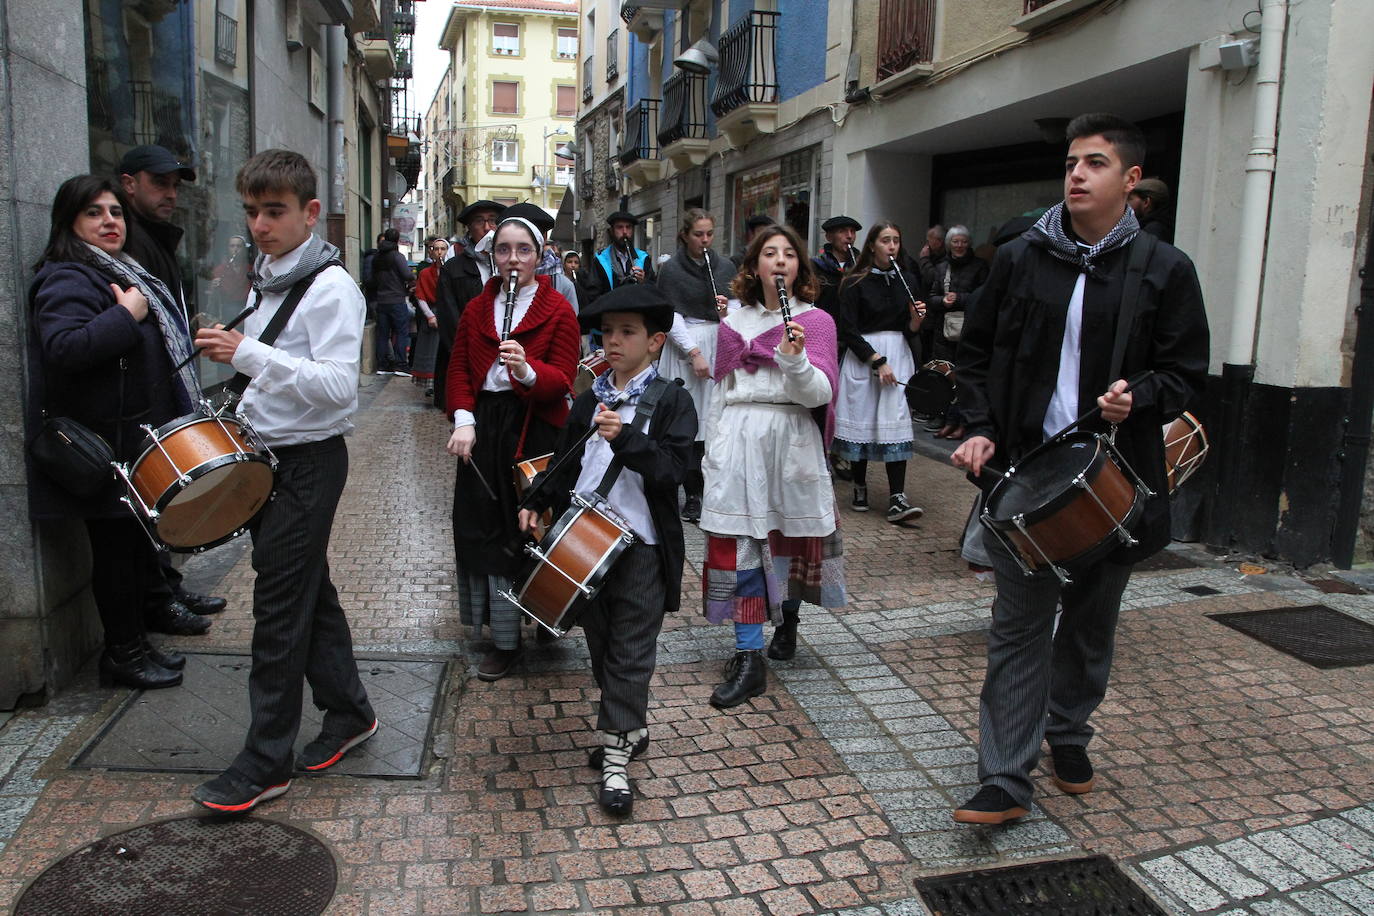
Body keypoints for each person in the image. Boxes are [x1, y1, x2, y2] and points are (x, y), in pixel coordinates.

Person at [949, 113, 1209, 824]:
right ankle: (1003, 775)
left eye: (1094, 162)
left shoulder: (1165, 269)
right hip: (1026, 480)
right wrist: (977, 429)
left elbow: (1187, 375)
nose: (1076, 174)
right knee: (1019, 628)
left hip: (1115, 481)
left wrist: (1142, 398)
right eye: (1070, 162)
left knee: (1091, 627)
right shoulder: (1021, 258)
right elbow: (973, 355)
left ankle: (1067, 730)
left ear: (1130, 181)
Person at [190, 150, 378, 812]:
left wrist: (247, 353)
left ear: (310, 213)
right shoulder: (268, 275)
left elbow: (336, 390)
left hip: (309, 462)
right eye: (251, 211)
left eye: (274, 212)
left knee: (278, 607)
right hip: (265, 458)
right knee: (305, 593)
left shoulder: (332, 289)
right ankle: (350, 712)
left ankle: (266, 759)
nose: (260, 225)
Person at [518, 284, 695, 817]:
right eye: (608, 332)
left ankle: (617, 759)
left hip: (641, 547)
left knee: (630, 652)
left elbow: (674, 472)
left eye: (628, 332)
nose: (613, 342)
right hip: (584, 543)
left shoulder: (673, 399)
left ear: (656, 341)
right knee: (600, 646)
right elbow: (568, 460)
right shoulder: (592, 394)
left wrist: (627, 440)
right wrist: (536, 499)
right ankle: (627, 724)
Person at [25, 175, 196, 690]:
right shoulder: (66, 278)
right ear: (70, 224)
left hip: (131, 442)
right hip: (101, 448)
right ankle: (121, 655)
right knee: (115, 556)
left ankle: (135, 644)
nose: (110, 222)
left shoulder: (116, 270)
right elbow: (65, 349)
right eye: (94, 213)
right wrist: (125, 315)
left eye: (116, 212)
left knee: (131, 549)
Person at [701, 225, 847, 701]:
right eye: (769, 253)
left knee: (784, 543)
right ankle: (748, 656)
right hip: (739, 440)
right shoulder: (732, 324)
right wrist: (712, 453)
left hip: (791, 438)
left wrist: (795, 360)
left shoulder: (817, 321)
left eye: (788, 254)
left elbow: (819, 394)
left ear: (799, 266)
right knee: (740, 547)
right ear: (754, 266)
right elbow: (719, 393)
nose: (779, 260)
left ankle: (786, 620)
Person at [445, 211, 581, 681]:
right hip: (484, 427)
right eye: (504, 250)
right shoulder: (476, 309)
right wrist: (464, 419)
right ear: (492, 255)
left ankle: (545, 614)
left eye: (523, 250)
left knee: (535, 529)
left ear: (539, 257)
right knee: (484, 525)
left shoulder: (558, 309)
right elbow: (460, 370)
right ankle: (504, 639)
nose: (513, 259)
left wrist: (525, 369)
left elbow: (563, 380)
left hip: (534, 428)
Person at [117, 143, 225, 637]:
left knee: (159, 503)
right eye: (159, 182)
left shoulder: (154, 237)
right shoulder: (130, 240)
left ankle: (166, 586)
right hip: (142, 395)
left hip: (161, 387)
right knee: (147, 506)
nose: (171, 193)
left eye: (175, 185)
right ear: (128, 182)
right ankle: (156, 601)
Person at [832, 221, 927, 523]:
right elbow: (847, 329)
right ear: (872, 245)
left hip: (898, 352)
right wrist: (875, 360)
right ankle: (859, 484)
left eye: (896, 241)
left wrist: (915, 322)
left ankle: (897, 496)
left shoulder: (908, 278)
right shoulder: (854, 281)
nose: (892, 246)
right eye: (886, 240)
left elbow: (909, 329)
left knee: (894, 419)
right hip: (865, 357)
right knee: (864, 418)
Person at [653, 208, 737, 523]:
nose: (704, 240)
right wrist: (694, 352)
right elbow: (671, 316)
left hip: (719, 342)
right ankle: (692, 496)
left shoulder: (725, 267)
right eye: (698, 234)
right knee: (690, 424)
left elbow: (738, 312)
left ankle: (714, 490)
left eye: (709, 234)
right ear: (685, 236)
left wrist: (728, 310)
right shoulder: (672, 270)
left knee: (715, 422)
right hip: (686, 346)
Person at [434, 201, 506, 413]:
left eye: (492, 220)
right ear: (469, 228)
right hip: (467, 357)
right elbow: (448, 316)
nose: (487, 227)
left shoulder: (510, 264)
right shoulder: (454, 268)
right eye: (479, 221)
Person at [926, 225, 989, 440]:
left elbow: (986, 297)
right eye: (955, 241)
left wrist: (960, 299)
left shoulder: (980, 267)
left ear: (969, 243)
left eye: (963, 241)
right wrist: (942, 301)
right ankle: (945, 418)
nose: (959, 245)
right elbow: (931, 298)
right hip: (943, 331)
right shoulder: (941, 267)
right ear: (949, 244)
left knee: (965, 377)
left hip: (969, 330)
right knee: (944, 375)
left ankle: (962, 422)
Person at [582, 211, 655, 308]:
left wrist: (643, 282)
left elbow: (654, 291)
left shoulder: (643, 258)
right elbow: (592, 295)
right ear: (611, 231)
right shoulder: (601, 260)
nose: (625, 232)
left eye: (628, 227)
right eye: (619, 227)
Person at [371, 227, 414, 376]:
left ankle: (382, 365)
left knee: (383, 334)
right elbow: (407, 275)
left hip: (381, 300)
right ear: (396, 240)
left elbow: (373, 277)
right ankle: (401, 365)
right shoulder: (397, 256)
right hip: (396, 299)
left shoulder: (377, 257)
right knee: (402, 332)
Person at [411, 236, 448, 393]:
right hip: (432, 312)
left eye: (442, 249)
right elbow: (421, 296)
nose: (439, 252)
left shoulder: (452, 272)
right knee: (430, 349)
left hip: (448, 313)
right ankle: (431, 385)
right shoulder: (426, 273)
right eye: (435, 248)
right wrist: (430, 316)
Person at [811, 215, 862, 320]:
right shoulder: (815, 266)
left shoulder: (861, 266)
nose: (849, 236)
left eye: (852, 231)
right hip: (824, 325)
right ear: (829, 237)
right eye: (842, 231)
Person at [212, 235, 253, 314]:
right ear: (228, 249)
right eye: (232, 246)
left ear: (244, 249)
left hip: (247, 307)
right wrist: (214, 285)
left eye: (239, 246)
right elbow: (213, 294)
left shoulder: (251, 269)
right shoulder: (220, 270)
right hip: (227, 309)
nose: (235, 249)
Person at [1128, 177, 1174, 244]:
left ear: (1146, 202)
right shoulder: (1163, 226)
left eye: (1129, 199)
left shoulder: (1152, 230)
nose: (1126, 204)